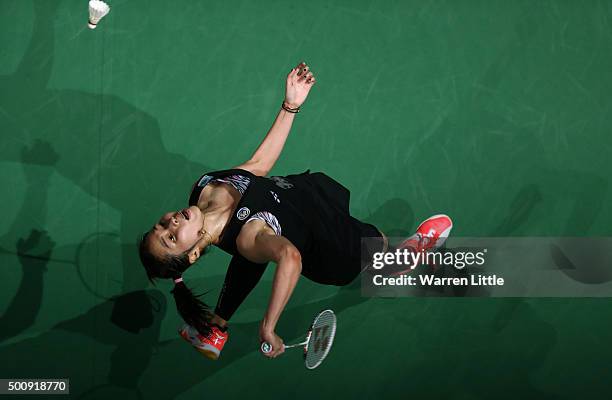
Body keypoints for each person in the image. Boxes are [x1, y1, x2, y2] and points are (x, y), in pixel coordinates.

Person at [138, 61, 453, 359]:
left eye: (160, 226)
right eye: (171, 238)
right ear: (192, 254)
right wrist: (268, 326)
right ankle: (401, 262)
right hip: (327, 244)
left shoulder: (203, 187)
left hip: (303, 199)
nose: (170, 222)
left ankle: (215, 327)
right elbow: (290, 257)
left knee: (255, 260)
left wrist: (291, 105)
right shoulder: (249, 236)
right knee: (376, 242)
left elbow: (257, 166)